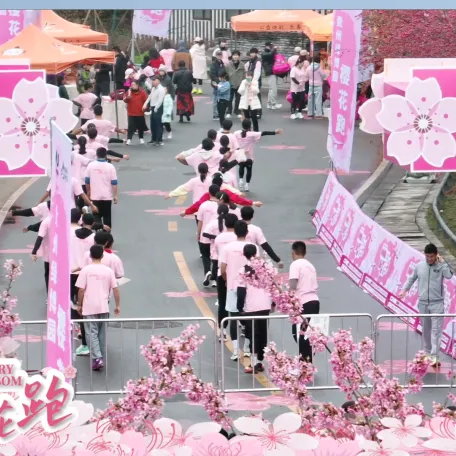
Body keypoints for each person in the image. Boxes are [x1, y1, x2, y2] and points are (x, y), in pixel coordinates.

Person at [400, 244, 453, 367]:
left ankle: (434, 356)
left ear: (436, 255)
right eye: (427, 256)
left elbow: (449, 276)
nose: (429, 259)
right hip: (423, 303)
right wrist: (404, 290)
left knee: (436, 330)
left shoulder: (441, 266)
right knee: (426, 330)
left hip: (437, 303)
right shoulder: (419, 266)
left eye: (432, 256)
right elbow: (411, 279)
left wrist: (443, 263)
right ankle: (427, 353)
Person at [76, 244, 120, 371]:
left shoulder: (85, 270)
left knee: (91, 333)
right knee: (102, 333)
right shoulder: (108, 271)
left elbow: (81, 290)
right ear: (102, 255)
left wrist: (79, 304)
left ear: (90, 255)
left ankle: (97, 358)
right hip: (104, 306)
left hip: (89, 307)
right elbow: (115, 289)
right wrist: (117, 305)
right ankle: (100, 357)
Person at [220, 220, 256, 360]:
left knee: (233, 317)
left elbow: (223, 269)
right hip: (250, 287)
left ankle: (235, 350)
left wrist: (227, 280)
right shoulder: (253, 247)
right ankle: (246, 348)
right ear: (247, 232)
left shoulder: (227, 248)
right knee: (247, 317)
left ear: (234, 231)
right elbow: (257, 266)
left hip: (232, 286)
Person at [237, 244, 273, 374]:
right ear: (256, 253)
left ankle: (253, 363)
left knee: (252, 335)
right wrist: (273, 303)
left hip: (251, 307)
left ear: (244, 254)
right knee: (262, 334)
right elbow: (272, 286)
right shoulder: (266, 268)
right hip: (265, 305)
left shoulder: (243, 270)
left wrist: (239, 307)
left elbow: (241, 291)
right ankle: (260, 362)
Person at [289, 241, 320, 364]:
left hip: (303, 302)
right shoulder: (310, 266)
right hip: (314, 301)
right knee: (307, 333)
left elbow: (293, 284)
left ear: (293, 253)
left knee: (299, 333)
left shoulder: (295, 264)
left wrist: (288, 297)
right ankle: (308, 360)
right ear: (305, 252)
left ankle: (304, 363)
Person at [181, 173, 262, 218]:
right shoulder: (226, 192)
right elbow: (239, 200)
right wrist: (253, 203)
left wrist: (186, 212)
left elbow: (197, 205)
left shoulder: (207, 195)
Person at [234, 119, 283, 192]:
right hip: (249, 156)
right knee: (249, 170)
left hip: (240, 155)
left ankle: (240, 180)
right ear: (250, 126)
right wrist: (275, 132)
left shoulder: (236, 133)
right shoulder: (252, 134)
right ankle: (247, 185)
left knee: (241, 167)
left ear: (242, 126)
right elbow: (264, 133)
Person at [212, 213, 238, 338]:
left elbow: (218, 254)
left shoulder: (219, 238)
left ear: (225, 224)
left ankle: (222, 329)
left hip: (222, 272)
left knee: (222, 302)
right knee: (240, 301)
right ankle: (242, 325)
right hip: (237, 275)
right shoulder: (239, 238)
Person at [85, 148, 118, 228]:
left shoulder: (91, 165)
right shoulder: (110, 166)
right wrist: (115, 195)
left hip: (95, 196)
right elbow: (114, 182)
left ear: (97, 155)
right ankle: (107, 232)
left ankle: (98, 230)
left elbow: (87, 181)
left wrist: (88, 192)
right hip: (107, 196)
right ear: (105, 155)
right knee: (107, 216)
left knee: (96, 215)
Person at [197, 184, 221, 285]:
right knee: (215, 258)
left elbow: (200, 221)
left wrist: (198, 233)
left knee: (205, 256)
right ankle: (215, 279)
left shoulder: (203, 205)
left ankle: (207, 272)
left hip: (205, 235)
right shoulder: (221, 206)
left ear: (209, 193)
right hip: (217, 236)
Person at [202, 203, 230, 286]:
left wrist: (215, 237)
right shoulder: (229, 222)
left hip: (215, 247)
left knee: (215, 263)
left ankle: (213, 278)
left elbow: (204, 234)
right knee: (224, 264)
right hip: (227, 246)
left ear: (218, 212)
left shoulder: (213, 223)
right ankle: (218, 278)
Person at [31, 214, 51, 294]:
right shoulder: (64, 218)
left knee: (48, 274)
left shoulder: (46, 221)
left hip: (49, 253)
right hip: (63, 253)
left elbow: (40, 237)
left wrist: (34, 252)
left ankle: (50, 294)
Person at [124, 80, 148, 146]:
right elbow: (125, 100)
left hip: (140, 112)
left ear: (137, 85)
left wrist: (145, 108)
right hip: (131, 112)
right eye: (131, 85)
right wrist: (127, 98)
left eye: (133, 85)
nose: (132, 86)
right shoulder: (129, 92)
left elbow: (146, 101)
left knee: (140, 126)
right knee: (130, 126)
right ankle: (129, 139)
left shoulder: (142, 92)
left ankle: (141, 138)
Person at [143, 77, 166, 146]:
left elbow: (160, 100)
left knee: (158, 124)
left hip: (158, 107)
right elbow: (149, 97)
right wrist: (145, 104)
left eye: (154, 80)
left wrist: (156, 108)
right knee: (153, 124)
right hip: (153, 107)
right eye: (152, 81)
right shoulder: (153, 88)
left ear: (158, 81)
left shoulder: (161, 89)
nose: (153, 82)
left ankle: (159, 140)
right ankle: (153, 139)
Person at [261, 42, 281, 110]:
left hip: (273, 72)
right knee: (273, 89)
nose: (271, 47)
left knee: (271, 89)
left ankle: (269, 103)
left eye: (271, 46)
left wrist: (274, 50)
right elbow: (270, 55)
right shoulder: (264, 53)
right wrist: (274, 49)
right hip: (270, 72)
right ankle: (273, 103)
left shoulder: (270, 52)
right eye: (270, 46)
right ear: (266, 46)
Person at [226, 51, 244, 119]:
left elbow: (245, 74)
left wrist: (244, 82)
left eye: (237, 55)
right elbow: (225, 74)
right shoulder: (228, 64)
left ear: (239, 56)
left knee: (238, 99)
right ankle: (229, 111)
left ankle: (237, 111)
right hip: (230, 84)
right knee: (229, 99)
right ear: (232, 56)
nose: (235, 56)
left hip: (239, 84)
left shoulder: (242, 64)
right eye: (234, 55)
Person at [244, 48, 262, 118]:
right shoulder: (250, 61)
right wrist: (248, 81)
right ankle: (252, 111)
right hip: (250, 80)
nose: (252, 54)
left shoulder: (258, 62)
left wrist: (254, 82)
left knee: (257, 96)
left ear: (256, 53)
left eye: (254, 53)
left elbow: (257, 73)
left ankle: (258, 112)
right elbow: (248, 71)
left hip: (255, 81)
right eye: (251, 53)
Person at [210, 51, 225, 121]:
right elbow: (212, 75)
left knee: (222, 100)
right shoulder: (213, 64)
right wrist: (219, 81)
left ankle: (220, 114)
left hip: (223, 84)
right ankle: (215, 115)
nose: (219, 56)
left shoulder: (222, 64)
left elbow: (225, 73)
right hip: (216, 84)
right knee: (215, 100)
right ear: (216, 56)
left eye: (220, 55)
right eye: (218, 55)